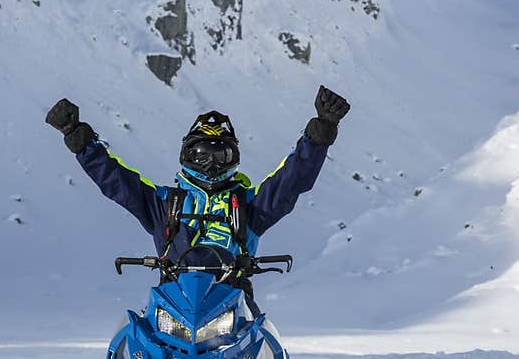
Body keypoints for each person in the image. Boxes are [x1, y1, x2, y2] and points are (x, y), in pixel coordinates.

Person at [46, 86, 349, 313]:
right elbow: (116, 181)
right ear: (187, 156)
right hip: (173, 301)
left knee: (266, 342)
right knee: (131, 336)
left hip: (232, 301)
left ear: (234, 159)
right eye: (202, 155)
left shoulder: (248, 205)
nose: (212, 165)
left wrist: (320, 132)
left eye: (221, 155)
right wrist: (78, 137)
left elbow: (291, 181)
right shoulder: (166, 203)